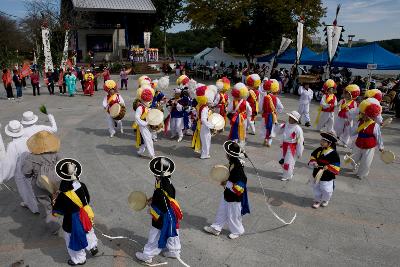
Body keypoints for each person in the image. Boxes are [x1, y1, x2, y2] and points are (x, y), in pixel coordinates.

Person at [135, 156, 183, 264]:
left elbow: (162, 206)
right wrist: (153, 199)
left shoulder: (159, 189)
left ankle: (147, 255)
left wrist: (152, 207)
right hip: (172, 213)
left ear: (157, 175)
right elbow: (167, 198)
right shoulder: (167, 182)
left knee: (155, 235)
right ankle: (175, 251)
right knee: (174, 230)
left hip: (163, 216)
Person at [52, 158, 99, 266]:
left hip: (71, 220)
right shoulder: (81, 185)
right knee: (88, 231)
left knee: (73, 238)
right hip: (85, 214)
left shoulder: (62, 195)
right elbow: (87, 199)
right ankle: (93, 246)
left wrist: (54, 201)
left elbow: (58, 212)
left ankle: (79, 259)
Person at [204, 141, 250, 239]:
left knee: (234, 215)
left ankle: (238, 231)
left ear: (230, 155)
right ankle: (216, 228)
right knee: (222, 211)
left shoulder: (238, 169)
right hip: (228, 194)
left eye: (227, 153)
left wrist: (227, 184)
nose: (226, 154)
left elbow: (240, 187)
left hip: (235, 197)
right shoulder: (233, 163)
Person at [21, 131, 61, 234]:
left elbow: (26, 172)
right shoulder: (56, 155)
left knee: (47, 207)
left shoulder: (30, 157)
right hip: (57, 184)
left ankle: (54, 228)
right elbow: (63, 167)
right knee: (59, 202)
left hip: (40, 187)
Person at [0, 120, 38, 213]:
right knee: (33, 185)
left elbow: (10, 164)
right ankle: (35, 202)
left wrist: (2, 177)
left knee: (25, 189)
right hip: (32, 166)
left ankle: (33, 207)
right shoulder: (27, 138)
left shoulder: (12, 145)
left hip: (21, 171)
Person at [350, 98, 384, 179]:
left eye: (365, 115)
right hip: (358, 144)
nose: (363, 116)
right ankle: (355, 164)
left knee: (366, 162)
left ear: (371, 116)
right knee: (353, 159)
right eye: (362, 114)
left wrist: (381, 147)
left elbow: (378, 136)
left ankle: (361, 174)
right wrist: (351, 126)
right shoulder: (359, 122)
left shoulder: (375, 125)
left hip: (369, 146)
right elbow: (353, 132)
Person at [308, 132, 340, 208]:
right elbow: (312, 157)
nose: (321, 142)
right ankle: (317, 200)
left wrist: (328, 167)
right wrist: (314, 162)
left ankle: (326, 199)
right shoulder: (319, 149)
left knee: (326, 189)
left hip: (327, 175)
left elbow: (336, 166)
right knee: (316, 187)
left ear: (329, 143)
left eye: (324, 141)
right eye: (321, 140)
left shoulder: (334, 153)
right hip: (317, 172)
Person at [272, 111, 304, 181]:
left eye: (292, 118)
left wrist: (299, 151)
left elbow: (300, 141)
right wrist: (276, 125)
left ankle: (287, 175)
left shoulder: (298, 129)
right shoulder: (286, 124)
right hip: (284, 146)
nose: (290, 119)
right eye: (290, 117)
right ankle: (289, 171)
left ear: (295, 120)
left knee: (288, 162)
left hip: (291, 147)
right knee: (281, 160)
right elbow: (279, 129)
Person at [191, 85, 216, 159]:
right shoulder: (204, 108)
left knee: (205, 140)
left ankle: (205, 153)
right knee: (206, 140)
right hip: (204, 126)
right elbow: (203, 119)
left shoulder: (200, 105)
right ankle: (204, 154)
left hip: (201, 125)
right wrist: (211, 126)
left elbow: (197, 115)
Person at [227, 83, 252, 148]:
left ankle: (234, 141)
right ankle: (241, 142)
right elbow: (249, 110)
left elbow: (229, 110)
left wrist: (233, 112)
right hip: (243, 118)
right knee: (243, 130)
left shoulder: (233, 102)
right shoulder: (245, 102)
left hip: (235, 118)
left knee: (235, 129)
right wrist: (248, 116)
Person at [259, 79, 284, 147]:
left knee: (265, 127)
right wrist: (275, 112)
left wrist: (262, 111)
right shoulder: (276, 99)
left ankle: (265, 139)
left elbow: (260, 107)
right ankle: (269, 141)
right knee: (272, 127)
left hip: (265, 115)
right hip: (273, 115)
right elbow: (281, 108)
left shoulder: (264, 98)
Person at [134, 86, 155, 158]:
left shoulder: (146, 107)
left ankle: (140, 151)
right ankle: (151, 155)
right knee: (148, 139)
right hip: (142, 126)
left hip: (146, 125)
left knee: (145, 140)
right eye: (147, 101)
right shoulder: (140, 108)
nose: (148, 102)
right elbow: (137, 118)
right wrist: (145, 123)